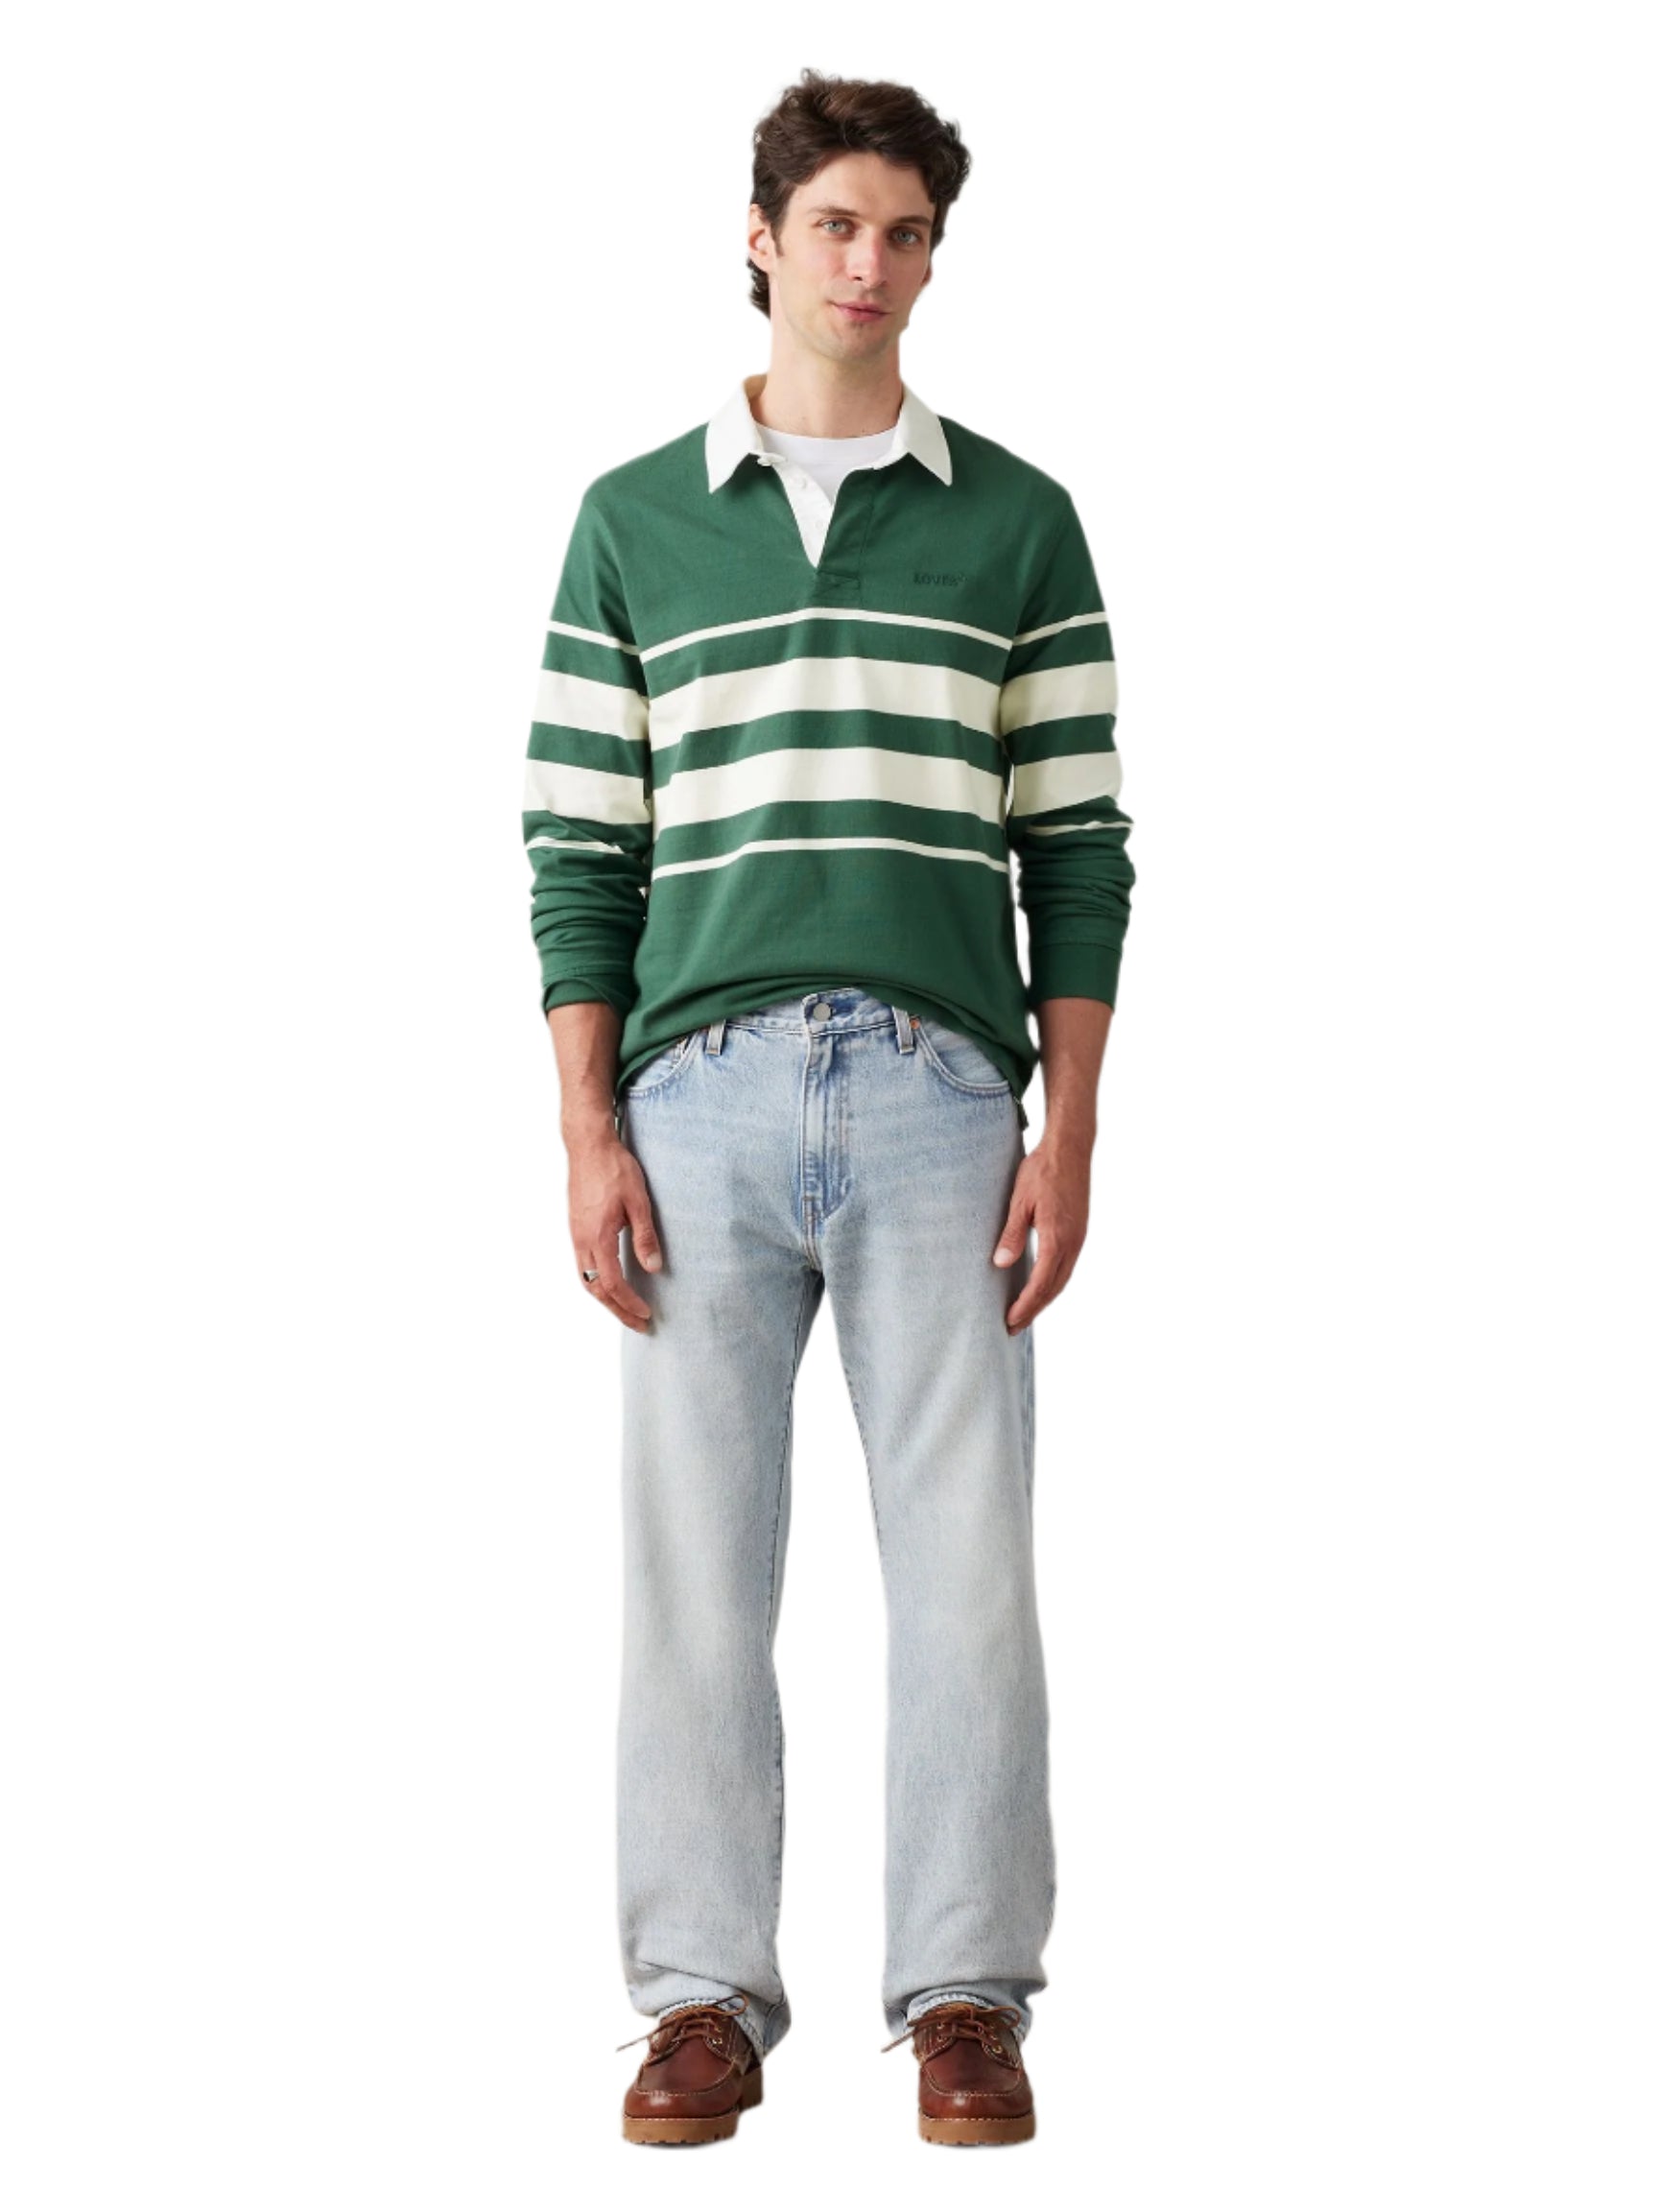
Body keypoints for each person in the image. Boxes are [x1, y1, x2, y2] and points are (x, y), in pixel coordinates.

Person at [520, 68, 1134, 2148]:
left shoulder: (1016, 519)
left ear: (933, 259)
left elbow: (1077, 842)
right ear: (762, 238)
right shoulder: (634, 519)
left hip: (945, 1097)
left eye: (906, 233)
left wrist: (1070, 1128)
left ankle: (965, 1995)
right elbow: (580, 845)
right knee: (694, 1570)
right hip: (690, 1099)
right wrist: (586, 1127)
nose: (870, 266)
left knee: (966, 1568)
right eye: (837, 226)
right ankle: (699, 1998)